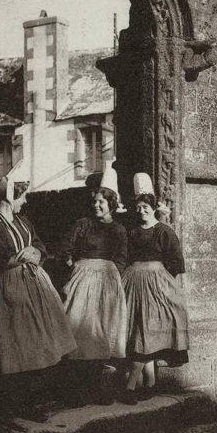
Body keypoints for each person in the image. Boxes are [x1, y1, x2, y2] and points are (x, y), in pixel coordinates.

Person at [0, 177, 76, 409]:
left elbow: (39, 244)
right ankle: (20, 401)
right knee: (20, 340)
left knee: (41, 338)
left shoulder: (23, 221)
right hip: (12, 284)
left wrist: (36, 253)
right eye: (21, 196)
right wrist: (19, 257)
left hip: (36, 282)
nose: (24, 201)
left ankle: (37, 395)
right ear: (8, 199)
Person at [60, 163, 127, 405]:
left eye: (102, 202)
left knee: (102, 334)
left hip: (107, 285)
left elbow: (121, 258)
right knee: (78, 331)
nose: (97, 205)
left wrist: (108, 276)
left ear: (111, 203)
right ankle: (78, 393)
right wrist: (73, 267)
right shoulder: (82, 224)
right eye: (95, 201)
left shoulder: (118, 230)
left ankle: (103, 391)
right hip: (82, 281)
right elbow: (65, 248)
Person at [121, 173, 189, 405]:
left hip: (157, 286)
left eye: (146, 206)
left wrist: (168, 287)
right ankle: (149, 383)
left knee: (147, 332)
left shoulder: (164, 231)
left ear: (153, 208)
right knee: (137, 331)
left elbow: (176, 262)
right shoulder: (131, 232)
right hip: (132, 283)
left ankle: (131, 386)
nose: (142, 211)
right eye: (138, 207)